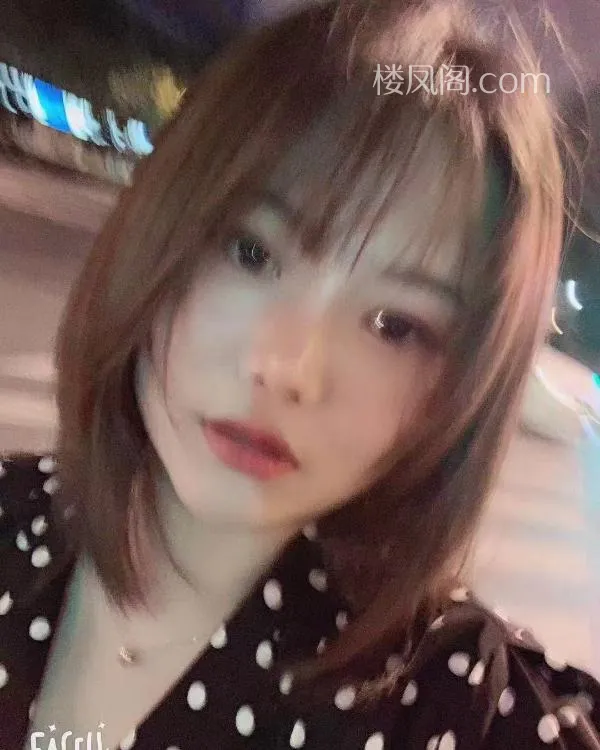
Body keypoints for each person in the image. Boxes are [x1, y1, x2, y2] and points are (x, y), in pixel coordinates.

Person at [1, 1, 599, 748]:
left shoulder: (451, 706)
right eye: (252, 252)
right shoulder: (11, 516)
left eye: (395, 326)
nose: (287, 369)